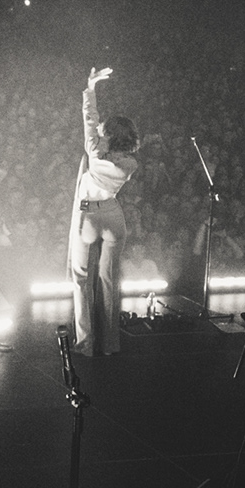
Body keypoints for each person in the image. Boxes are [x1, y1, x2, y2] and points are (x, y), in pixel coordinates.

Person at [69, 68, 139, 356]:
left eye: (103, 128)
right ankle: (110, 344)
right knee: (109, 280)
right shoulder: (130, 164)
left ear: (108, 135)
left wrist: (90, 89)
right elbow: (96, 126)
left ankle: (86, 343)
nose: (98, 128)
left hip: (88, 216)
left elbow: (89, 118)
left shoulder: (95, 152)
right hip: (113, 215)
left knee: (81, 278)